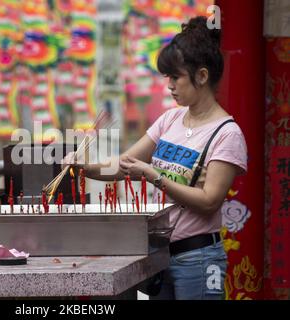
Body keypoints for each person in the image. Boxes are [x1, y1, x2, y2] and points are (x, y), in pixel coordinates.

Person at [62, 16, 248, 300]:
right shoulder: (170, 119)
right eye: (167, 78)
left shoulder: (227, 133)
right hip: (158, 256)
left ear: (201, 76)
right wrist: (84, 168)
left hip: (198, 258)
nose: (170, 86)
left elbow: (210, 200)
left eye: (176, 78)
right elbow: (124, 165)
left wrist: (155, 176)